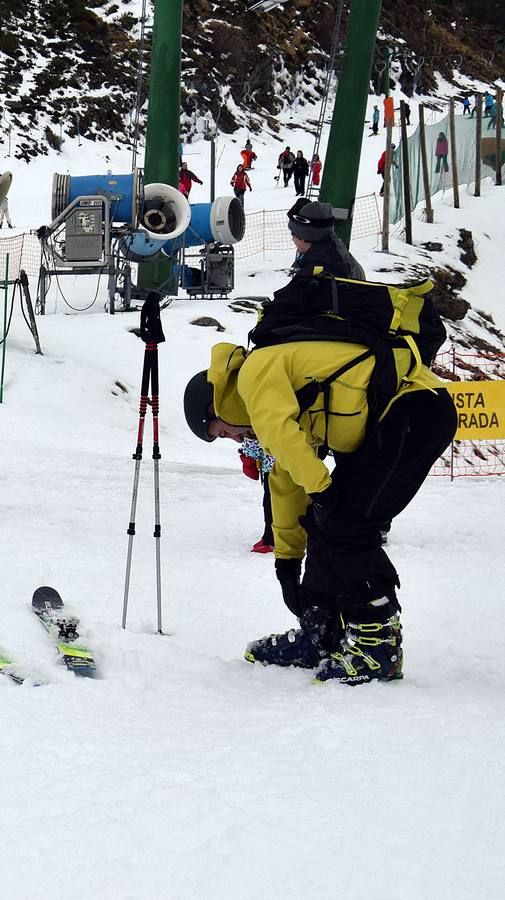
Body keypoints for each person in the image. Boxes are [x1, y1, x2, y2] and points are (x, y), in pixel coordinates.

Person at [181, 332, 453, 684]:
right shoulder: (270, 398)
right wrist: (288, 563)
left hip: (415, 410)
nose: (235, 439)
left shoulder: (254, 375)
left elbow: (282, 438)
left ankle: (378, 647)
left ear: (216, 405)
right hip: (390, 420)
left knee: (347, 526)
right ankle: (322, 630)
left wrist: (323, 489)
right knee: (323, 521)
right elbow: (286, 480)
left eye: (222, 432)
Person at [286, 200, 365, 280]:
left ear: (303, 237)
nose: (292, 239)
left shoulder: (320, 267)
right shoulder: (330, 247)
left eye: (293, 234)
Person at [238, 437, 275, 554]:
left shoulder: (254, 420)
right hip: (296, 465)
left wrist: (249, 459)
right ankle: (302, 532)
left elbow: (252, 440)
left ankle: (271, 540)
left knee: (271, 506)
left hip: (272, 469)